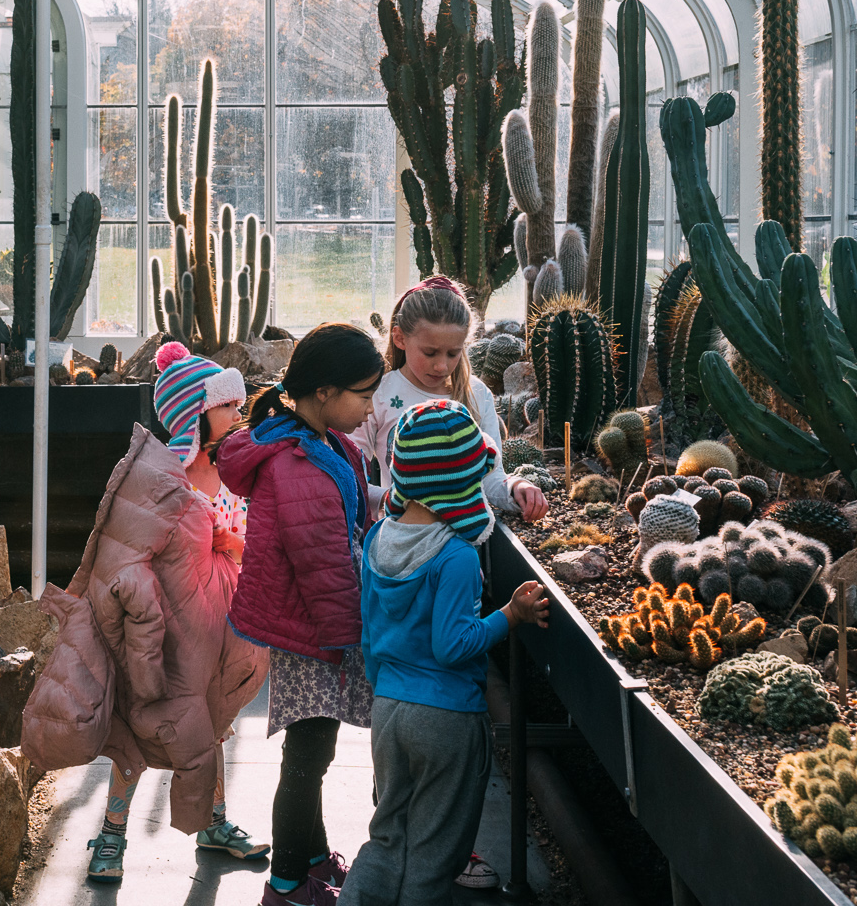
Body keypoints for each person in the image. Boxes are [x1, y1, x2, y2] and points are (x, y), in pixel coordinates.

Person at [342, 398, 551, 906]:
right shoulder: (454, 555)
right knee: (436, 852)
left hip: (389, 710)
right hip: (447, 718)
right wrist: (510, 615)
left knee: (388, 834)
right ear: (460, 483)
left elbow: (369, 636)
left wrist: (387, 690)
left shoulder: (376, 542)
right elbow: (454, 645)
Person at [75, 342, 270, 883]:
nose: (238, 413)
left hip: (222, 616)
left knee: (213, 717)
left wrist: (235, 543)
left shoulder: (233, 466)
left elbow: (246, 535)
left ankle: (213, 821)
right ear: (193, 414)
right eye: (227, 406)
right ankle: (111, 833)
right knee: (145, 724)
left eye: (238, 404)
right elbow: (131, 546)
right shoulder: (160, 476)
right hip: (163, 625)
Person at [217, 323, 388, 906]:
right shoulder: (294, 463)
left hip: (315, 624)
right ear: (322, 393)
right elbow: (320, 565)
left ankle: (311, 858)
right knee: (307, 756)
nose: (370, 408)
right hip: (314, 629)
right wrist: (349, 639)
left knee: (314, 750)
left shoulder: (323, 442)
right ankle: (287, 883)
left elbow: (345, 514)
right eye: (363, 395)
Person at [355, 276, 549, 541]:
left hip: (465, 546)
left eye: (452, 353)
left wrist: (517, 487)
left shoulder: (476, 394)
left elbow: (491, 480)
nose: (442, 366)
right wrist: (388, 499)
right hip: (401, 543)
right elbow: (350, 476)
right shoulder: (379, 394)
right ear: (400, 338)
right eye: (430, 352)